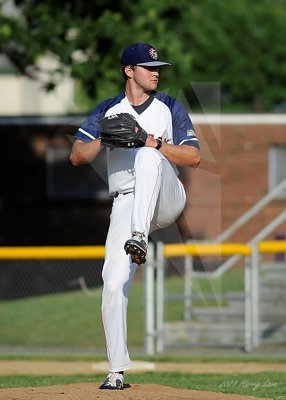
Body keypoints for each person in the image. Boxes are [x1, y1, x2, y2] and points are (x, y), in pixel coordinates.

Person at [70, 42, 200, 390]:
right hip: (126, 201)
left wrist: (151, 142)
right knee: (112, 284)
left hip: (164, 196)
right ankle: (116, 372)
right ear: (129, 71)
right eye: (147, 67)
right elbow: (77, 156)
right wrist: (103, 140)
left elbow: (192, 157)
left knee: (146, 156)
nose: (155, 72)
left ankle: (139, 236)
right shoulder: (108, 110)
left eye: (157, 67)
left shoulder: (170, 107)